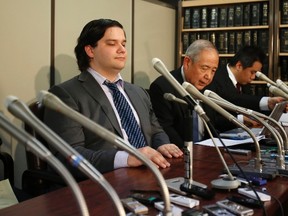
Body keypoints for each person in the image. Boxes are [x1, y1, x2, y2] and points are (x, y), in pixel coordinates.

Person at [43, 19, 183, 178]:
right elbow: (69, 156)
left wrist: (163, 144)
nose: (122, 49)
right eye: (112, 44)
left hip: (151, 175)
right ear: (90, 50)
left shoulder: (139, 92)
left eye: (124, 44)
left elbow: (156, 130)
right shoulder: (65, 95)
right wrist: (127, 158)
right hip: (103, 182)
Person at [149, 39, 219, 148]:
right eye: (204, 68)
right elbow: (165, 129)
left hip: (207, 151)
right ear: (187, 62)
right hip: (181, 153)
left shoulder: (210, 87)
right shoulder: (163, 87)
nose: (208, 76)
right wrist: (192, 152)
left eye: (213, 71)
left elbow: (212, 124)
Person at [204, 45, 286, 132]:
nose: (254, 77)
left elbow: (247, 104)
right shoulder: (214, 79)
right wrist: (240, 119)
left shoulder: (243, 82)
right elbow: (212, 117)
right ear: (239, 66)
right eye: (252, 72)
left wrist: (270, 107)